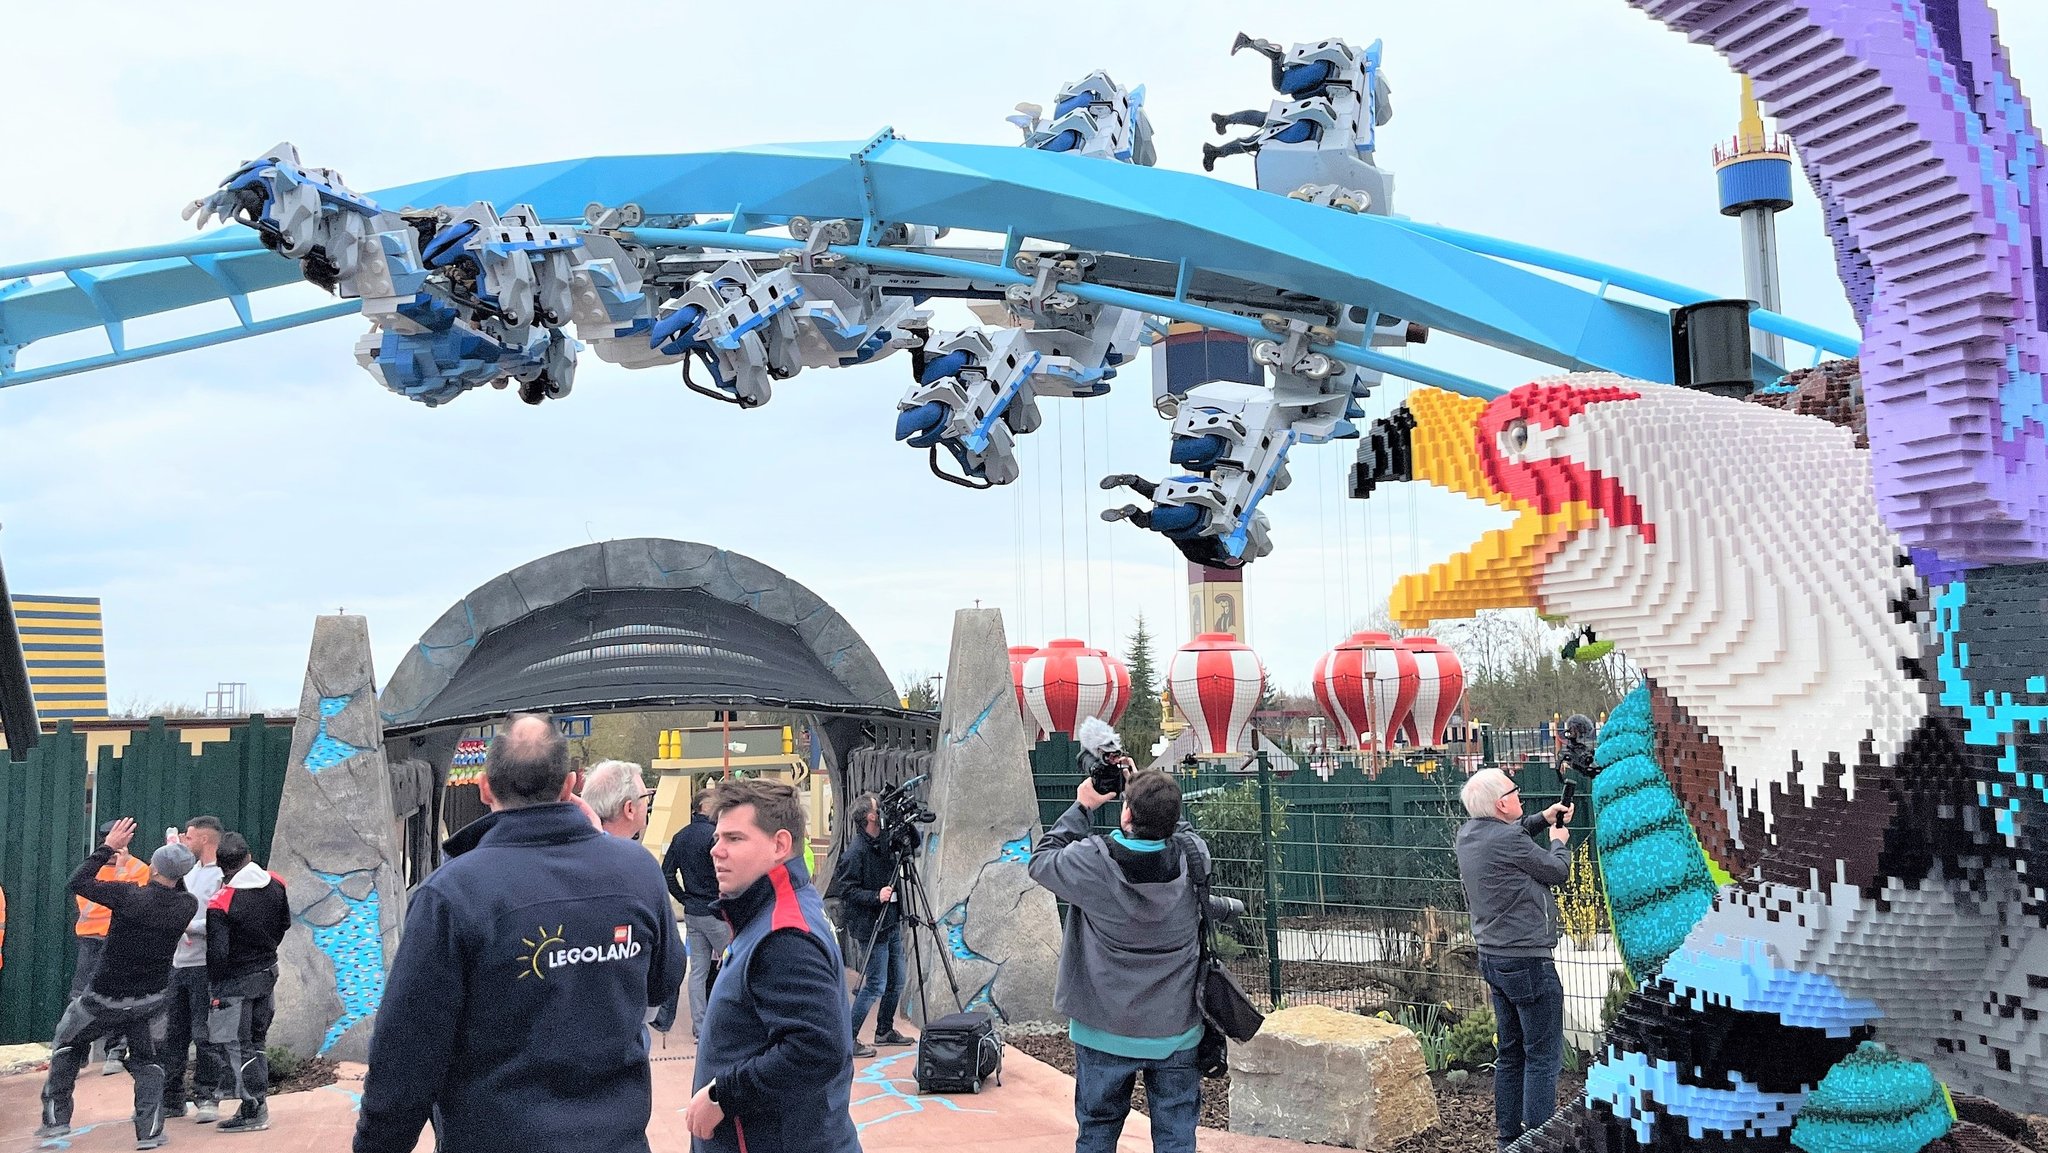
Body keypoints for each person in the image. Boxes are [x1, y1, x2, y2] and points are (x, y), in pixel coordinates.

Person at [354, 714, 685, 1153]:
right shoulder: (637, 870)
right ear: (571, 785)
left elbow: (407, 1053)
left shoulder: (453, 893)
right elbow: (663, 983)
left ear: (485, 787)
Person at [1028, 768, 1220, 1153]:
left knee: (1097, 1130)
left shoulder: (1091, 863)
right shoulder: (1194, 857)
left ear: (1126, 814)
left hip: (1103, 1026)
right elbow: (1178, 829)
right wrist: (1150, 794)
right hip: (1175, 1030)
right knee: (1176, 1137)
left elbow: (1041, 860)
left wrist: (1083, 805)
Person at [684, 779, 858, 1153]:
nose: (716, 851)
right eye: (717, 839)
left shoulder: (783, 933)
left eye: (734, 839)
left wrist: (721, 1096)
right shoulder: (770, 912)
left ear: (780, 845)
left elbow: (816, 1047)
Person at [38, 819, 199, 1148]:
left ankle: (56, 1122)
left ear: (152, 866)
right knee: (147, 1063)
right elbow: (177, 887)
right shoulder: (187, 905)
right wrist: (176, 860)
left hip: (102, 999)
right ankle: (149, 1133)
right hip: (148, 1002)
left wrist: (108, 847)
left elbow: (78, 881)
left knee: (67, 1046)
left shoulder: (129, 897)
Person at [1454, 768, 1574, 1151]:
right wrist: (1558, 840)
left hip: (1494, 958)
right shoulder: (1508, 840)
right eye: (1515, 792)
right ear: (1502, 803)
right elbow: (1556, 872)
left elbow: (1514, 833)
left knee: (1510, 1053)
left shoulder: (1469, 835)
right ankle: (1540, 1143)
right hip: (1528, 962)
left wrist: (1543, 816)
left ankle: (1510, 1139)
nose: (1520, 798)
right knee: (1542, 1056)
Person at [204, 831, 291, 1134]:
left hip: (235, 982)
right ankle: (257, 1102)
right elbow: (284, 924)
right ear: (248, 856)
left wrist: (216, 986)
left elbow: (218, 954)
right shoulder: (276, 883)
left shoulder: (221, 902)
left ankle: (253, 1108)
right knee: (257, 1041)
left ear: (221, 866)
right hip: (268, 972)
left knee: (238, 1047)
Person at [826, 792, 914, 1058]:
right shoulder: (856, 852)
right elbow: (847, 891)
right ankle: (848, 1039)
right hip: (870, 925)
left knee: (896, 980)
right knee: (875, 983)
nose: (884, 811)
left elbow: (913, 844)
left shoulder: (883, 843)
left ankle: (884, 1030)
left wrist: (906, 825)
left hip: (890, 920)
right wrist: (876, 896)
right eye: (879, 809)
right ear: (870, 817)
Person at [74, 819, 152, 1076]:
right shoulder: (92, 868)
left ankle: (115, 1052)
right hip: (90, 940)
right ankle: (77, 1050)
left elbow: (132, 905)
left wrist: (119, 874)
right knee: (81, 996)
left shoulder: (139, 869)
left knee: (118, 997)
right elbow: (104, 900)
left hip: (120, 942)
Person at [163, 815, 227, 1123]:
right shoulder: (188, 873)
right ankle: (172, 1099)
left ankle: (207, 1096)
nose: (185, 843)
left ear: (203, 840)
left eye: (188, 838)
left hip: (204, 966)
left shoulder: (220, 876)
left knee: (206, 1034)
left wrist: (187, 926)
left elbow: (219, 920)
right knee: (174, 1034)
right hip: (178, 965)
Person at [659, 787, 730, 1039]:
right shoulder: (716, 836)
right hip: (717, 911)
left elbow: (666, 874)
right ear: (707, 807)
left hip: (693, 911)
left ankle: (700, 1028)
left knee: (697, 972)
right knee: (735, 963)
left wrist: (684, 897)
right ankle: (732, 1022)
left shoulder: (681, 836)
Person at [582, 759, 657, 842]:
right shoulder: (633, 854)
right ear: (629, 809)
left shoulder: (572, 845)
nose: (647, 803)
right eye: (646, 797)